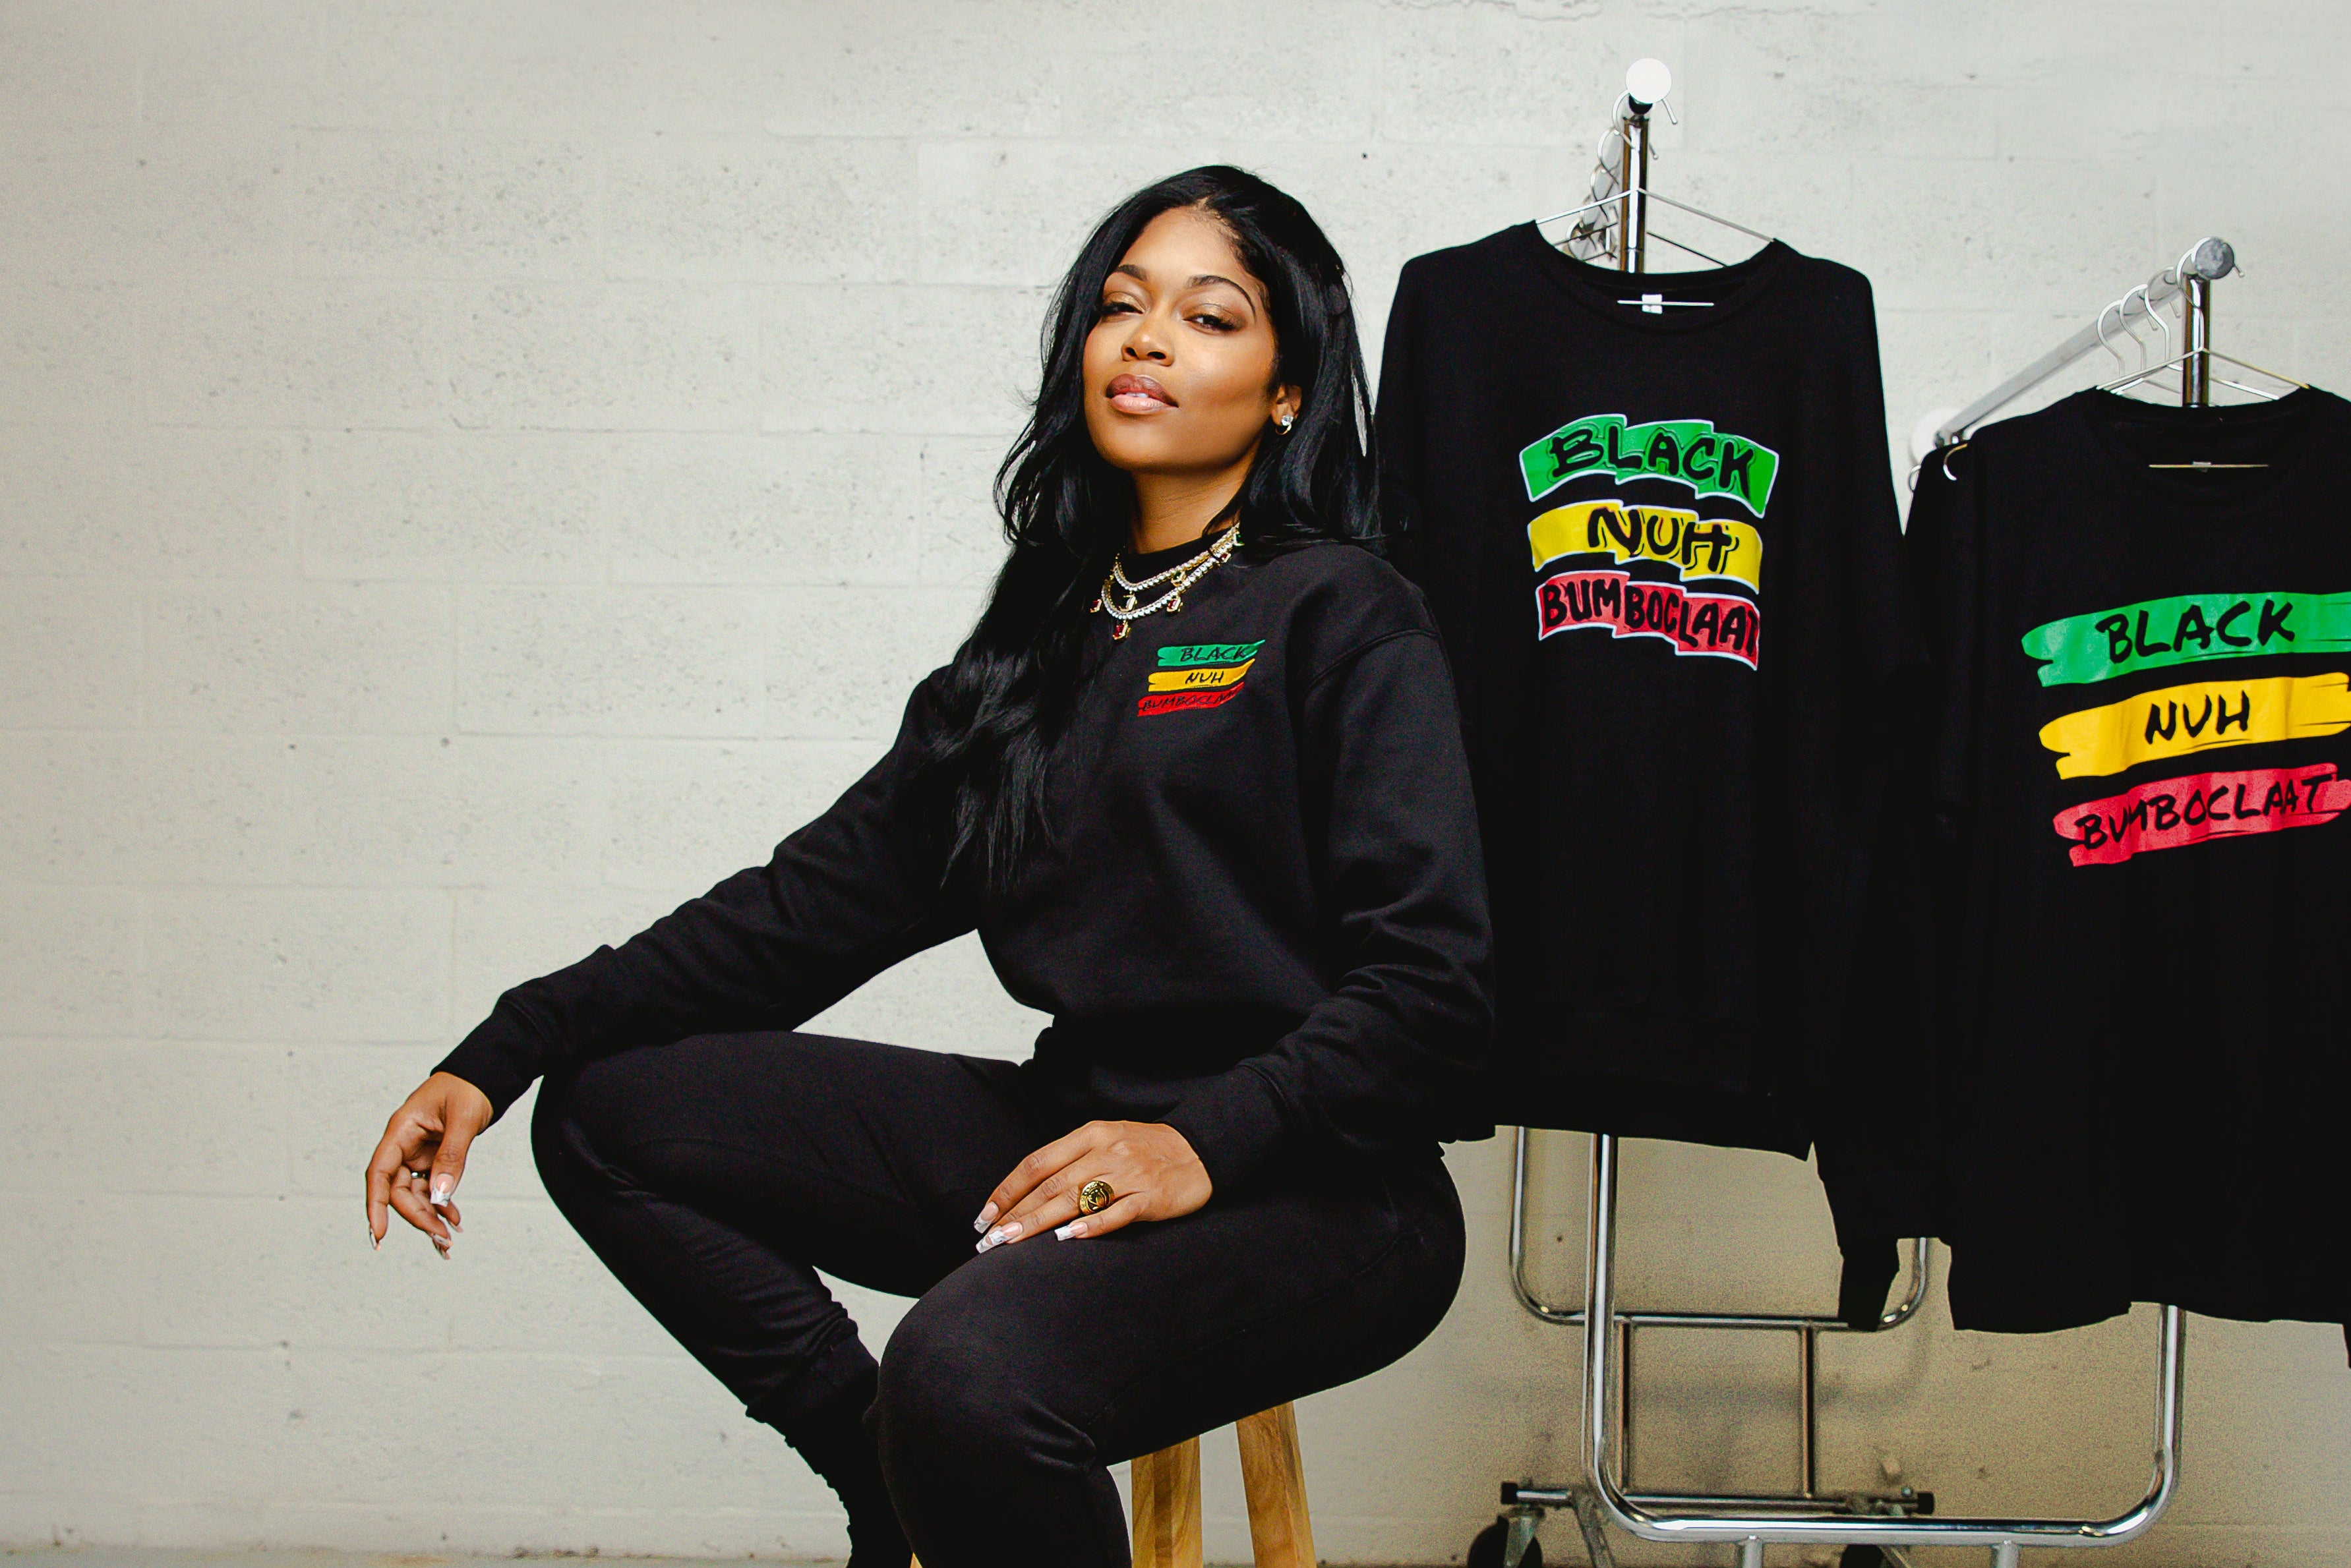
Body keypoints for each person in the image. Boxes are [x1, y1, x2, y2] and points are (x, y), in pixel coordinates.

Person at [363, 165, 1494, 1568]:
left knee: (966, 1368)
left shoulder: (1342, 612)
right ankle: (888, 1490)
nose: (1147, 339)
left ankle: (933, 1445)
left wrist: (1198, 1142)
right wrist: (501, 1049)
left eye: (1208, 318)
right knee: (608, 1109)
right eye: (1122, 306)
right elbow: (797, 912)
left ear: (1286, 392)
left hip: (1321, 1185)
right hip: (1078, 1129)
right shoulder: (1037, 647)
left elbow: (1431, 993)